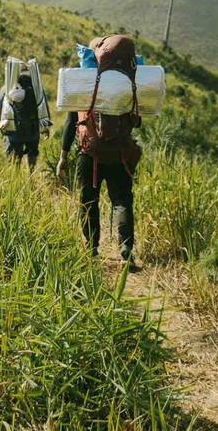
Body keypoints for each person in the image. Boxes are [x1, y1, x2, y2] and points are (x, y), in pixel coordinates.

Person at [56, 36, 141, 270]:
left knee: (88, 200)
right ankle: (126, 248)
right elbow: (137, 118)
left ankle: (91, 248)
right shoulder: (127, 82)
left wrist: (63, 157)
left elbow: (70, 123)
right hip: (121, 153)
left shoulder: (86, 83)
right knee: (122, 200)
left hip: (90, 153)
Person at [0, 69, 49, 171]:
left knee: (13, 159)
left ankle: (15, 181)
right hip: (32, 129)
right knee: (32, 153)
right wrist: (45, 127)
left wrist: (2, 126)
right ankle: (31, 176)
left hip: (14, 130)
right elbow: (44, 108)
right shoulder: (37, 89)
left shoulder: (6, 89)